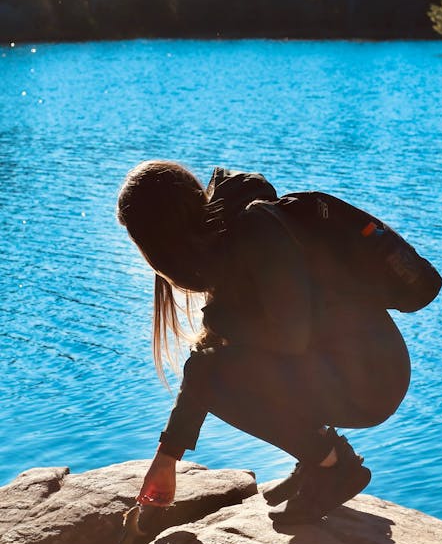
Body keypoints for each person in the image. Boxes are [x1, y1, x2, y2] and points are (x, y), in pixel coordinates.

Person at [117, 160, 412, 523]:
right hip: (349, 365)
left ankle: (334, 465)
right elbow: (210, 353)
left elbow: (291, 334)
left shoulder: (255, 231)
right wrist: (167, 457)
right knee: (213, 364)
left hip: (372, 378)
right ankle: (319, 457)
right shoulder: (225, 237)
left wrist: (222, 324)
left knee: (219, 375)